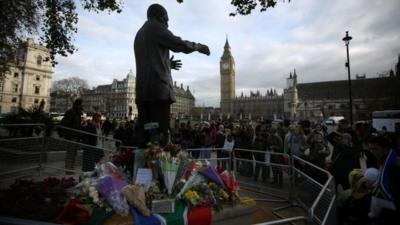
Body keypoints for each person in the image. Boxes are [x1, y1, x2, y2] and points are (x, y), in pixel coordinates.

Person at [134, 3, 210, 147]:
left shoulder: (140, 33)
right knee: (161, 136)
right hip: (158, 92)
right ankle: (158, 167)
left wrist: (167, 64)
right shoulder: (155, 27)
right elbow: (178, 44)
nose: (167, 23)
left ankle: (141, 167)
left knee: (145, 134)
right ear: (159, 16)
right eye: (166, 19)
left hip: (143, 93)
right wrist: (198, 46)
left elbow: (149, 60)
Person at [59, 98, 83, 173]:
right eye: (82, 104)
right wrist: (67, 135)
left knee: (73, 154)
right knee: (70, 154)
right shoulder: (71, 112)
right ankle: (68, 169)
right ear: (78, 104)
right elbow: (65, 124)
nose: (83, 106)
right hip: (72, 137)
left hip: (76, 137)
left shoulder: (77, 113)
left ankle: (70, 168)